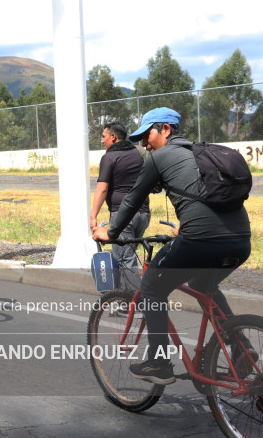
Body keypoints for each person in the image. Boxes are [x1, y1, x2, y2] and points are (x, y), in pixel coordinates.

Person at [92, 107, 252, 385]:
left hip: (201, 240)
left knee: (152, 288)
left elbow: (132, 199)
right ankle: (242, 347)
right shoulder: (201, 153)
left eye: (147, 135)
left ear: (165, 129)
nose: (144, 143)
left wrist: (111, 231)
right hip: (240, 240)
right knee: (204, 286)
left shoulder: (161, 156)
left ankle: (159, 362)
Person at [90, 122, 151, 290]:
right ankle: (126, 302)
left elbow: (102, 189)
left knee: (125, 259)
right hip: (143, 214)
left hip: (123, 215)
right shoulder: (138, 154)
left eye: (103, 137)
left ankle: (136, 302)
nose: (102, 141)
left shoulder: (109, 157)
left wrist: (93, 216)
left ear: (113, 137)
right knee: (129, 256)